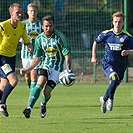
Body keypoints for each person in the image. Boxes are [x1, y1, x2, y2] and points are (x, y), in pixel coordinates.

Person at [20, 15, 71, 119]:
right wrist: (27, 69)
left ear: (53, 26)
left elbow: (67, 55)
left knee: (46, 92)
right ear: (42, 27)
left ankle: (43, 103)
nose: (48, 28)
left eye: (50, 26)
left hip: (58, 68)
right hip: (46, 65)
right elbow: (37, 58)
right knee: (40, 82)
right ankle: (29, 107)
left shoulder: (60, 37)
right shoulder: (39, 39)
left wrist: (68, 70)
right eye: (46, 26)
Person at [91, 11, 133, 114]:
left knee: (115, 83)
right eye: (115, 22)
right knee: (114, 80)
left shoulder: (127, 37)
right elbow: (96, 42)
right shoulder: (106, 34)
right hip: (108, 63)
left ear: (123, 23)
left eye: (119, 22)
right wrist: (93, 57)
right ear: (112, 22)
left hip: (121, 66)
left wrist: (128, 52)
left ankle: (104, 99)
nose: (117, 24)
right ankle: (110, 99)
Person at [0, 3, 32, 117]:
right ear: (11, 13)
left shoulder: (22, 26)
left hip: (11, 58)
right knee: (14, 80)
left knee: (3, 86)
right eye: (17, 12)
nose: (20, 14)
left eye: (20, 12)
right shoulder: (3, 26)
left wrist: (29, 45)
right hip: (2, 58)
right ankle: (2, 104)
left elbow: (26, 39)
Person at [20, 3, 42, 90]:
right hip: (25, 54)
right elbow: (17, 36)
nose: (33, 13)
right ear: (28, 12)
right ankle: (31, 90)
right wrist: (21, 39)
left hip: (36, 54)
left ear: (37, 12)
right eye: (31, 11)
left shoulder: (41, 25)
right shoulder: (22, 24)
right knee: (27, 76)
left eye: (35, 11)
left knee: (34, 74)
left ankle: (32, 96)